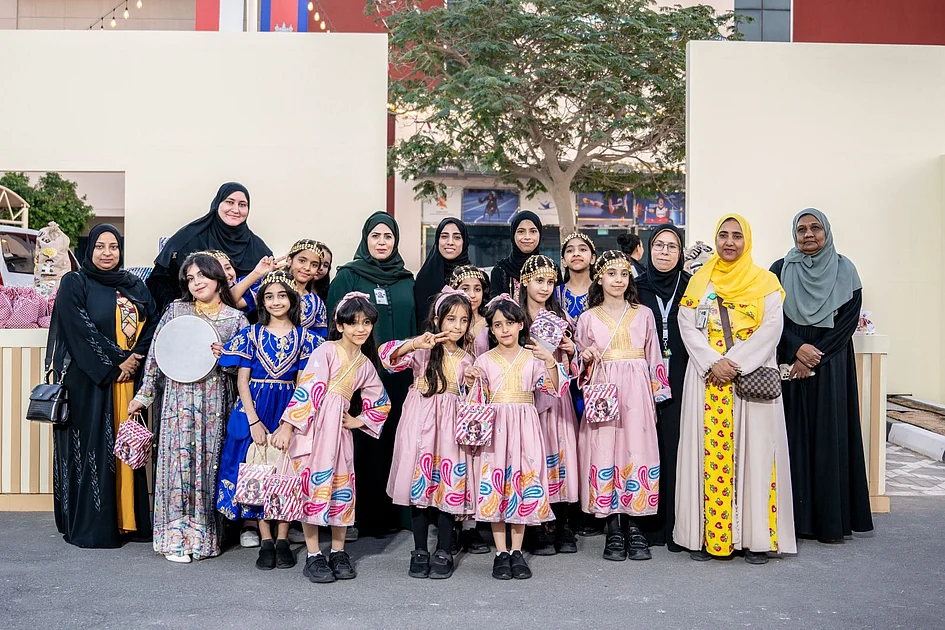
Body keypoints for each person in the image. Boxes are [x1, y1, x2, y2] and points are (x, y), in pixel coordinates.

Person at [675, 214, 796, 565]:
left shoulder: (766, 283)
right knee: (708, 456)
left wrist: (734, 363)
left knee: (755, 457)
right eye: (723, 235)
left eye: (737, 236)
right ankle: (708, 536)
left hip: (751, 380)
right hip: (708, 379)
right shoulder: (699, 281)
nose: (729, 242)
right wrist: (714, 362)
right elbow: (687, 324)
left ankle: (755, 539)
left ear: (747, 241)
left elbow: (771, 329)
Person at [130, 253, 249, 563]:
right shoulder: (175, 310)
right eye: (190, 278)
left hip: (213, 402)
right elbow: (158, 355)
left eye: (203, 276)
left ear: (218, 279)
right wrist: (144, 396)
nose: (197, 283)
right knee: (175, 465)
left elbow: (245, 371)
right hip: (176, 402)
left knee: (207, 466)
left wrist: (227, 358)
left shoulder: (236, 319)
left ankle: (204, 538)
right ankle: (174, 539)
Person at [49, 224, 158, 548]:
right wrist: (115, 363)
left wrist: (136, 357)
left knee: (128, 446)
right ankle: (95, 525)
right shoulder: (75, 282)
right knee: (94, 449)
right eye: (100, 246)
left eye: (113, 247)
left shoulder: (135, 284)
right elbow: (79, 328)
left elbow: (153, 321)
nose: (107, 253)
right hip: (90, 381)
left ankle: (128, 520)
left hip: (128, 380)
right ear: (90, 249)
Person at [270, 292, 391, 584]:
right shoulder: (325, 351)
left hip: (339, 436)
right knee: (311, 489)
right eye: (353, 323)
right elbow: (308, 389)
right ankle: (313, 555)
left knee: (339, 488)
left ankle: (338, 551)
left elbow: (381, 400)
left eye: (366, 323)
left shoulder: (364, 364)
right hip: (312, 429)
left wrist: (359, 419)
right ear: (339, 324)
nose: (360, 329)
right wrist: (288, 427)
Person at [770, 209, 872, 543]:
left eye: (815, 228)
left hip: (831, 369)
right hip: (790, 366)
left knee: (829, 440)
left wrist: (813, 357)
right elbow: (770, 319)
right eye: (801, 229)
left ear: (826, 231)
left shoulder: (846, 270)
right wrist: (797, 349)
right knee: (793, 440)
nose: (808, 234)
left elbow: (847, 321)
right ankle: (797, 523)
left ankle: (829, 521)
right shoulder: (780, 270)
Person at [215, 270, 319, 570]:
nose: (276, 301)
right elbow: (243, 381)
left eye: (282, 295)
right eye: (269, 296)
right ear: (262, 301)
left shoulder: (306, 339)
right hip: (255, 409)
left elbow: (303, 385)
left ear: (292, 299)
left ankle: (284, 537)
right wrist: (253, 421)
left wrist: (288, 424)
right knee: (257, 469)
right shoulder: (250, 335)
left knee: (285, 471)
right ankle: (265, 539)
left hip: (287, 407)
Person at [574, 251, 669, 562]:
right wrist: (584, 357)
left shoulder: (643, 314)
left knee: (637, 449)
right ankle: (612, 528)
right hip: (604, 392)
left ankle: (635, 526)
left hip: (638, 392)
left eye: (623, 274)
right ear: (599, 277)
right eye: (611, 273)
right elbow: (577, 362)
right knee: (605, 450)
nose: (618, 279)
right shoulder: (587, 318)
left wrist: (658, 393)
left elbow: (654, 354)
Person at [463, 294, 566, 580]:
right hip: (495, 428)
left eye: (510, 323)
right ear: (491, 330)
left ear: (521, 324)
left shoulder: (532, 358)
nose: (504, 329)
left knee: (522, 481)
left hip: (525, 427)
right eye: (498, 325)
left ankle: (517, 550)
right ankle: (500, 552)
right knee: (496, 483)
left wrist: (550, 362)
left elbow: (553, 390)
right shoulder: (483, 360)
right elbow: (473, 399)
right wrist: (471, 380)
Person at [328, 211, 416, 535]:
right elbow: (334, 328)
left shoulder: (407, 278)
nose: (382, 242)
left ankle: (397, 516)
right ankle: (357, 516)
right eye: (376, 236)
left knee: (397, 439)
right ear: (366, 239)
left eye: (388, 236)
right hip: (360, 377)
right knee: (362, 443)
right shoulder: (348, 276)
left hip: (401, 378)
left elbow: (416, 327)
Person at [379, 288, 475, 580]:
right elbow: (387, 357)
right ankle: (420, 550)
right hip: (420, 422)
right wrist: (413, 343)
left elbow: (477, 393)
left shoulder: (469, 356)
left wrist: (474, 381)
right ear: (437, 319)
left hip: (452, 426)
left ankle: (444, 549)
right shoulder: (422, 349)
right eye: (450, 319)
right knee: (419, 488)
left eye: (463, 320)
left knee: (449, 483)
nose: (456, 326)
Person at [518, 255, 581, 555]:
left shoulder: (562, 317)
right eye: (538, 280)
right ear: (524, 281)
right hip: (527, 396)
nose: (544, 287)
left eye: (549, 282)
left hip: (557, 395)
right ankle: (535, 524)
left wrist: (571, 349)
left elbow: (575, 363)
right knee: (534, 456)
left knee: (560, 454)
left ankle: (562, 521)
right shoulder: (514, 317)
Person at [635, 226, 691, 552]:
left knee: (677, 449)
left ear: (680, 252)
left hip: (684, 377)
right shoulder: (636, 288)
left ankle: (678, 526)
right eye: (659, 245)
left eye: (672, 246)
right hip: (644, 381)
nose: (665, 252)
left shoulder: (692, 287)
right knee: (648, 450)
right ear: (649, 248)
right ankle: (648, 526)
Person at [146, 182, 272, 314]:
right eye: (230, 202)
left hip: (243, 319)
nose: (236, 210)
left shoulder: (259, 249)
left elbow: (265, 291)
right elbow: (159, 281)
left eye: (242, 205)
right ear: (218, 204)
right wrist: (182, 309)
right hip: (189, 316)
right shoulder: (189, 238)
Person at [233, 239, 329, 340]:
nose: (307, 267)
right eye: (302, 261)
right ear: (289, 260)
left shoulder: (317, 304)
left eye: (314, 265)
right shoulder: (270, 289)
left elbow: (320, 340)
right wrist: (256, 274)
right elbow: (232, 302)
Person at [413, 218, 470, 325]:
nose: (450, 242)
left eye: (457, 237)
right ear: (437, 240)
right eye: (444, 236)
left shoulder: (473, 277)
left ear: (464, 241)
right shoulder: (425, 277)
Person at [490, 211, 543, 297]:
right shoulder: (500, 270)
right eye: (521, 231)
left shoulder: (550, 269)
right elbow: (495, 307)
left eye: (533, 231)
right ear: (513, 235)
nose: (527, 237)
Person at [555, 232, 597, 323]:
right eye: (570, 251)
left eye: (582, 249)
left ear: (592, 258)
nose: (576, 254)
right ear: (563, 261)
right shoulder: (554, 293)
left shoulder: (602, 291)